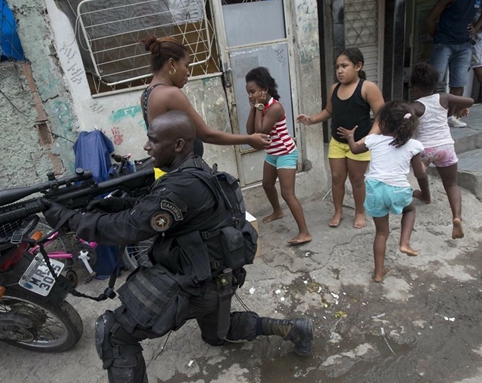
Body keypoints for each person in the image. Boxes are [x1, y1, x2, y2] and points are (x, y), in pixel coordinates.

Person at [42, 111, 314, 383]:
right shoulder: (193, 170)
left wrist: (70, 220)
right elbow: (142, 206)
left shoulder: (180, 186)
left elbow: (130, 228)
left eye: (154, 141)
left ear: (180, 144)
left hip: (196, 285)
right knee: (216, 335)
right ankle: (293, 329)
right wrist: (97, 206)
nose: (147, 146)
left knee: (114, 332)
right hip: (218, 278)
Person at [140, 35, 271, 159]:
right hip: (181, 175)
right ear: (172, 64)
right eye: (186, 65)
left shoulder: (146, 94)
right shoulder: (170, 94)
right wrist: (249, 139)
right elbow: (207, 135)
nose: (188, 72)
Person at [296, 48, 385, 229]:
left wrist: (367, 139)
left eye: (344, 66)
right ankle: (338, 211)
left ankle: (360, 212)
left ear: (358, 66)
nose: (340, 71)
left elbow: (382, 118)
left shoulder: (368, 88)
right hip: (337, 142)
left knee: (357, 179)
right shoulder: (334, 88)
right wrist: (311, 120)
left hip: (359, 144)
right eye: (337, 67)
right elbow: (329, 111)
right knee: (337, 178)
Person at [341, 101, 426, 283]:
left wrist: (350, 136)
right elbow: (419, 173)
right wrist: (426, 166)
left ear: (383, 123)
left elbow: (355, 150)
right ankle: (404, 242)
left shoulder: (373, 140)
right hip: (398, 190)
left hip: (374, 190)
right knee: (410, 210)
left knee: (381, 233)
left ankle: (378, 272)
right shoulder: (413, 145)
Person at [245, 67, 312, 245]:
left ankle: (305, 232)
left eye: (252, 92)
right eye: (248, 93)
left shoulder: (274, 107)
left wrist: (257, 107)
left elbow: (261, 131)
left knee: (287, 193)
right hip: (273, 153)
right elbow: (250, 131)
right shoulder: (261, 106)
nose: (250, 96)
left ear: (264, 89)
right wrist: (254, 108)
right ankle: (278, 211)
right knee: (267, 184)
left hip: (286, 153)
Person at [407, 62, 474, 240]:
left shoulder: (416, 106)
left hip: (425, 149)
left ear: (415, 87)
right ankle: (457, 217)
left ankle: (425, 195)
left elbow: (405, 115)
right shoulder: (444, 98)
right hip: (445, 147)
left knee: (420, 172)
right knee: (452, 184)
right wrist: (460, 107)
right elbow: (470, 101)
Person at [425, 0, 482, 128]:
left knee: (459, 82)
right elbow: (430, 18)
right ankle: (430, 116)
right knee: (434, 81)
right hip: (444, 43)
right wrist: (437, 38)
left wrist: (477, 27)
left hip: (464, 44)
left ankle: (451, 116)